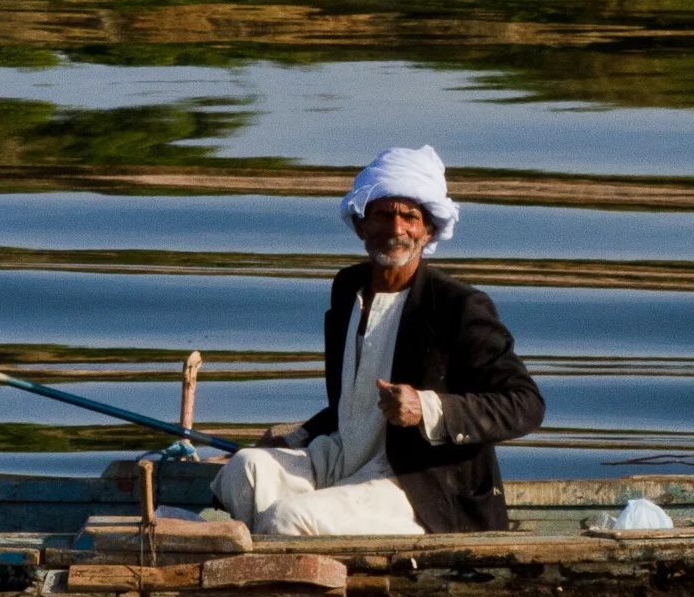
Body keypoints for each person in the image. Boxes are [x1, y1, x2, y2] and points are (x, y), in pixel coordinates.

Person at [214, 145, 544, 536]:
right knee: (244, 470)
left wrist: (427, 407)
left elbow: (526, 404)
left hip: (418, 483)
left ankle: (281, 553)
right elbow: (353, 406)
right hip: (345, 458)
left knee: (289, 518)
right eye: (383, 215)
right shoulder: (347, 288)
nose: (396, 229)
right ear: (361, 225)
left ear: (428, 231)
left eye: (410, 217)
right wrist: (297, 437)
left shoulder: (458, 305)